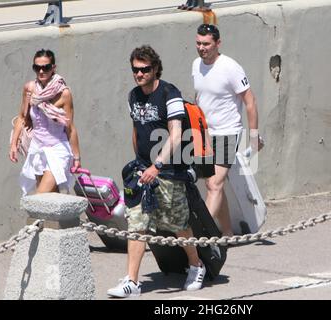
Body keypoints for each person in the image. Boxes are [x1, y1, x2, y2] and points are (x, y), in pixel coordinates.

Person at [107, 45, 206, 298]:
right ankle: (132, 281)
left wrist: (157, 165)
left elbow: (174, 135)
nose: (139, 74)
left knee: (178, 224)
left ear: (155, 68)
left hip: (169, 171)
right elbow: (136, 131)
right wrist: (141, 163)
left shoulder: (169, 93)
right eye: (135, 70)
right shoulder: (133, 95)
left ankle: (196, 265)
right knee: (137, 223)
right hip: (143, 172)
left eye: (145, 70)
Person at [192, 23, 263, 236]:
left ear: (217, 43)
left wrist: (253, 136)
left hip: (228, 132)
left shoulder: (231, 67)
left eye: (206, 44)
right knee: (213, 186)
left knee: (214, 183)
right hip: (204, 133)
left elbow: (250, 102)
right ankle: (227, 233)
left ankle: (198, 234)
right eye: (198, 43)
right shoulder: (196, 64)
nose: (202, 48)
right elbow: (199, 98)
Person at [9, 49, 81, 195]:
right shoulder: (30, 89)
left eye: (46, 67)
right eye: (37, 68)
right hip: (37, 149)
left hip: (58, 149)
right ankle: (60, 218)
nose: (41, 71)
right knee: (50, 199)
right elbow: (22, 117)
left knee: (40, 198)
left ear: (53, 68)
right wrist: (13, 145)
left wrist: (77, 157)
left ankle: (34, 218)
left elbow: (70, 128)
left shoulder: (64, 93)